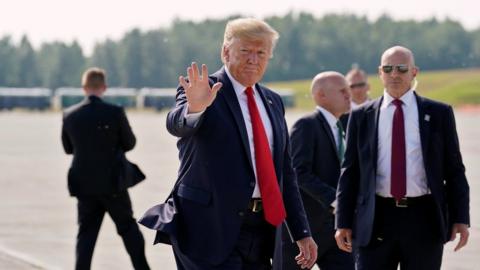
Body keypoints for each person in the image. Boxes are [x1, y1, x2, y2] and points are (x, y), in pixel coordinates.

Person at [140, 17, 317, 269]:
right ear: (225, 51)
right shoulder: (204, 89)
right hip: (208, 229)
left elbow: (284, 173)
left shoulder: (272, 102)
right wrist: (195, 107)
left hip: (260, 230)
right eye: (245, 51)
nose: (253, 60)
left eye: (261, 53)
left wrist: (301, 231)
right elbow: (176, 123)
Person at [334, 46, 470, 270]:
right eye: (388, 69)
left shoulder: (439, 114)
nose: (394, 74)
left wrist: (461, 218)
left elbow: (454, 169)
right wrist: (343, 222)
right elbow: (350, 172)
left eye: (401, 68)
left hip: (423, 218)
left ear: (414, 72)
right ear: (380, 73)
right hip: (376, 219)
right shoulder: (361, 117)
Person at [61, 68, 150, 270]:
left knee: (86, 234)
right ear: (104, 88)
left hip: (84, 184)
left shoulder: (70, 115)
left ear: (84, 88)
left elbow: (68, 148)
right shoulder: (115, 112)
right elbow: (129, 143)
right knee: (128, 229)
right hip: (113, 183)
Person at [282, 72, 354, 270]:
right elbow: (298, 172)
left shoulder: (345, 126)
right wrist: (336, 200)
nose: (349, 96)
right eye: (342, 91)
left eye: (349, 91)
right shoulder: (306, 126)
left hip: (337, 231)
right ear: (321, 95)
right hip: (304, 231)